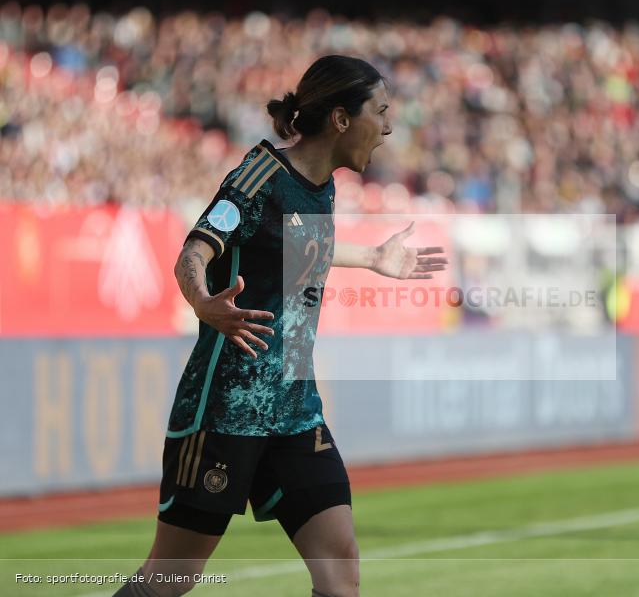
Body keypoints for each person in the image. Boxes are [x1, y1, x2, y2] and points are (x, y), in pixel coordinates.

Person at [114, 54, 447, 597]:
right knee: (169, 579)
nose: (387, 128)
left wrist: (372, 258)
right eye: (380, 112)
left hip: (294, 411)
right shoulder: (260, 175)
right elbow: (193, 252)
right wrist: (203, 302)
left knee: (341, 570)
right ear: (341, 119)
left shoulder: (322, 186)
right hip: (225, 410)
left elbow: (297, 242)